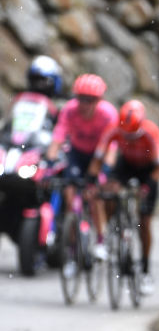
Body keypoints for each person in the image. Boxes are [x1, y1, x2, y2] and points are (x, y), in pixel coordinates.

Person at [88, 99, 159, 296]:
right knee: (107, 193)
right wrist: (92, 181)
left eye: (134, 136)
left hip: (148, 170)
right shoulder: (113, 129)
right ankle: (108, 232)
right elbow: (98, 159)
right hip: (126, 165)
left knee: (145, 222)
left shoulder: (151, 132)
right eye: (126, 136)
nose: (130, 140)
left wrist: (147, 186)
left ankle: (146, 270)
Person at [44, 73, 118, 262]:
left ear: (98, 100)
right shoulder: (69, 110)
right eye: (81, 99)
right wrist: (49, 162)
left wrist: (106, 169)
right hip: (77, 154)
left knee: (94, 194)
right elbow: (58, 137)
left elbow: (111, 146)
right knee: (70, 193)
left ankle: (100, 241)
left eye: (89, 100)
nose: (84, 104)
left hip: (99, 154)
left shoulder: (108, 114)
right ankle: (73, 245)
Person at [0, 55, 62, 145]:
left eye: (43, 80)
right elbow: (6, 123)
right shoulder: (19, 98)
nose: (39, 84)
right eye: (36, 79)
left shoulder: (55, 105)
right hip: (11, 144)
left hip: (36, 147)